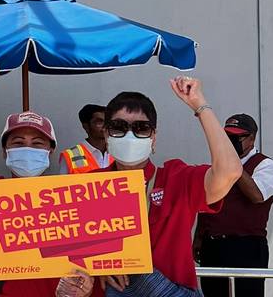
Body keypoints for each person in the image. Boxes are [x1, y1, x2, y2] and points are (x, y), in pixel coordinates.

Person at [0, 64, 94, 297]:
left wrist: (86, 286)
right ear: (4, 152)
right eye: (17, 142)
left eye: (37, 144)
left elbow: (87, 268)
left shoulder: (73, 200)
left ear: (50, 152)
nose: (28, 148)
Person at [99, 77, 242, 296]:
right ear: (106, 134)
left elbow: (230, 171)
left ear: (153, 137)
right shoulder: (87, 187)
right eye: (119, 127)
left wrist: (200, 105)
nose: (130, 135)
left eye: (141, 128)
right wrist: (95, 265)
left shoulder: (177, 179)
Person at [195, 114, 273, 297]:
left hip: (246, 247)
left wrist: (234, 165)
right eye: (227, 136)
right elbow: (205, 203)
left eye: (236, 137)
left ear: (251, 138)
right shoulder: (218, 165)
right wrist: (199, 237)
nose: (230, 141)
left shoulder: (265, 165)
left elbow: (257, 195)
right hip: (213, 246)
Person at [59, 104, 111, 174]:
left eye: (107, 122)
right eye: (99, 122)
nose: (105, 127)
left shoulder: (118, 153)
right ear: (86, 126)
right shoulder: (70, 156)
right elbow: (63, 184)